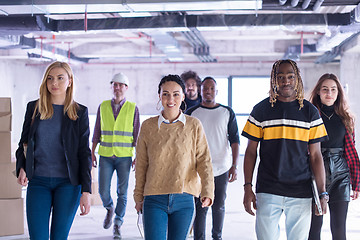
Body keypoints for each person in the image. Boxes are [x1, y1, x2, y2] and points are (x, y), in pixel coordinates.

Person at [242, 59, 329, 240]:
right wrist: (247, 187)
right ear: (274, 80)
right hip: (268, 189)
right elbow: (250, 152)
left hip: (301, 191)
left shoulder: (310, 112)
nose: (285, 81)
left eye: (290, 76)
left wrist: (322, 193)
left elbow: (316, 156)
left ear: (297, 78)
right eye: (280, 77)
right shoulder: (261, 110)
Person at [15, 61, 92, 239]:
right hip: (38, 182)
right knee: (38, 236)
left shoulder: (79, 112)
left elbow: (84, 152)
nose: (54, 83)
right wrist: (22, 167)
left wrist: (86, 191)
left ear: (70, 81)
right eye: (49, 78)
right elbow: (24, 143)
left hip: (68, 184)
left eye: (59, 78)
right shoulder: (34, 108)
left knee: (59, 236)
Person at [134, 74, 215, 240]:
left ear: (183, 97)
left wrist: (208, 190)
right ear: (159, 96)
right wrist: (138, 196)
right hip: (154, 198)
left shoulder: (194, 125)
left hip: (184, 199)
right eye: (165, 94)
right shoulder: (148, 126)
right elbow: (141, 164)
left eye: (176, 94)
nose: (171, 99)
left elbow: (204, 161)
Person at [186, 76, 240, 240]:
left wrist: (234, 166)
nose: (208, 91)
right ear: (201, 91)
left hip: (221, 167)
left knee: (219, 206)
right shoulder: (191, 113)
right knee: (200, 208)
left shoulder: (226, 112)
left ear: (216, 91)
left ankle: (217, 237)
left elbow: (235, 140)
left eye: (211, 88)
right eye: (205, 89)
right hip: (198, 169)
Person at [308, 73, 360, 239]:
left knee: (339, 230)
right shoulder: (309, 116)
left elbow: (351, 151)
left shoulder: (346, 118)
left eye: (333, 89)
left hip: (341, 177)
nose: (329, 93)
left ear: (338, 93)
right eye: (325, 89)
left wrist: (356, 182)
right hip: (314, 174)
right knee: (314, 229)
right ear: (318, 92)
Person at [91, 72, 140, 239]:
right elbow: (96, 131)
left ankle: (118, 222)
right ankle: (109, 208)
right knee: (103, 190)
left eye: (121, 85)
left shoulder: (133, 108)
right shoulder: (103, 106)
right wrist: (92, 152)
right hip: (105, 155)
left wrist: (137, 156)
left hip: (124, 156)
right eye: (115, 84)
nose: (117, 87)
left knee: (123, 192)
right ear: (112, 86)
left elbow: (137, 134)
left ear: (126, 88)